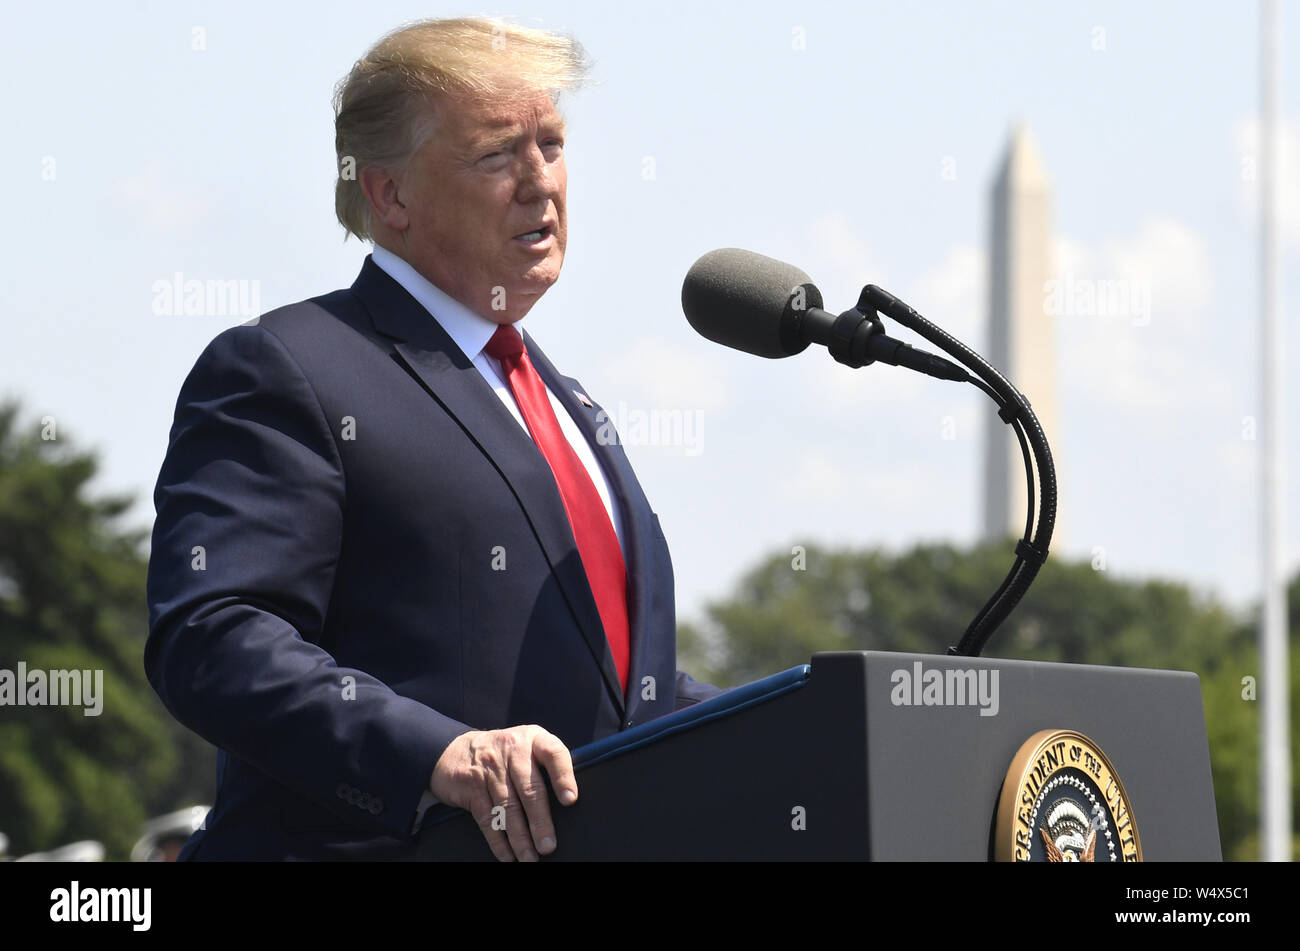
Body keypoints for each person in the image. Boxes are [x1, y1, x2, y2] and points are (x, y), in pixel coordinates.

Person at [144, 17, 721, 862]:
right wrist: (435, 754)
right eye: (496, 154)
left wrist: (809, 725)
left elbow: (623, 695)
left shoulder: (565, 403)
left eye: (552, 145)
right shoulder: (287, 368)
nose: (540, 182)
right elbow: (213, 632)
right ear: (390, 195)